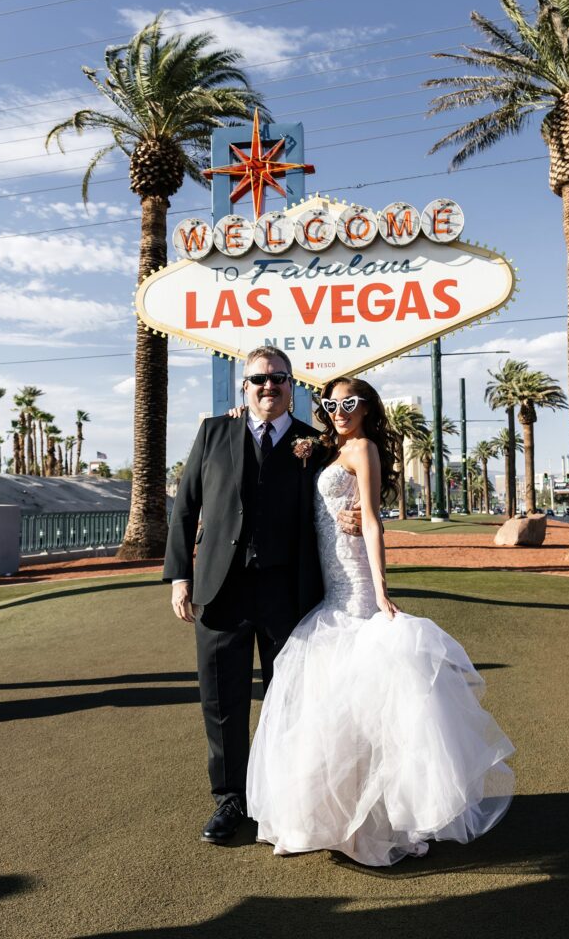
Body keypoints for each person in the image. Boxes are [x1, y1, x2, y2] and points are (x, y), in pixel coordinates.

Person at [246, 376, 514, 866]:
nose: (339, 410)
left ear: (367, 407)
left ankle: (378, 823)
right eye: (331, 403)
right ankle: (323, 817)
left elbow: (369, 518)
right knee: (333, 707)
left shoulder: (363, 447)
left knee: (361, 705)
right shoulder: (327, 447)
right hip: (329, 583)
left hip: (355, 588)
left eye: (349, 403)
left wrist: (382, 588)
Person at [164, 346, 359, 845]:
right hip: (219, 591)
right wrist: (179, 577)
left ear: (292, 386)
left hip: (286, 594)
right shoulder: (214, 431)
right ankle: (230, 801)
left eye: (278, 379)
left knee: (286, 700)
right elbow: (185, 508)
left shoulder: (313, 444)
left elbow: (351, 479)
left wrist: (356, 514)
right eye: (258, 380)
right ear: (244, 387)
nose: (268, 386)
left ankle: (281, 800)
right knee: (222, 700)